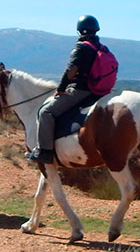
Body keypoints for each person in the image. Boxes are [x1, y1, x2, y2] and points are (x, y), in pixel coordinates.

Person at [27, 15, 104, 164]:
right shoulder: (101, 48)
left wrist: (61, 88)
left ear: (80, 30)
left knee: (46, 112)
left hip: (80, 90)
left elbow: (71, 70)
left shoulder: (82, 47)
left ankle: (45, 152)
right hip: (98, 91)